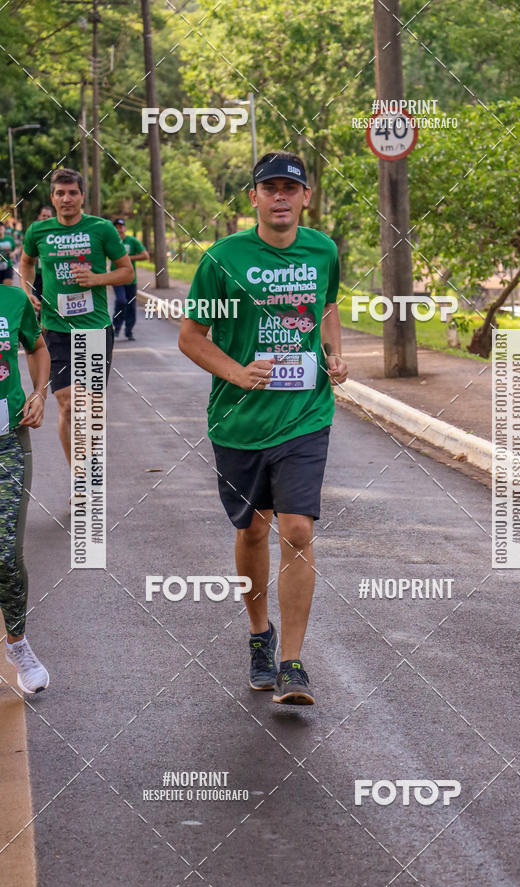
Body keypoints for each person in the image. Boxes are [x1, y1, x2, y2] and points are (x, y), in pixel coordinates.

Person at [179, 151, 348, 706]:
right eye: (269, 188)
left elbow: (326, 308)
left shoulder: (322, 250)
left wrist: (334, 355)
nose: (280, 196)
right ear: (252, 197)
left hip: (305, 413)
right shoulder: (223, 259)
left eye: (290, 188)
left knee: (297, 529)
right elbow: (192, 336)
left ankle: (293, 663)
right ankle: (259, 634)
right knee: (253, 529)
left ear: (305, 197)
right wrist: (237, 372)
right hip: (238, 420)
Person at [19, 168, 133, 471]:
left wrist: (97, 278)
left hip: (95, 329)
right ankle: (78, 476)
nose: (66, 198)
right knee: (68, 404)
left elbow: (126, 271)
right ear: (53, 198)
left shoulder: (101, 229)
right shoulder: (38, 231)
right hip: (55, 330)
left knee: (91, 409)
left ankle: (90, 467)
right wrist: (25, 292)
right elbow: (27, 262)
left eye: (72, 192)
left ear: (82, 196)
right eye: (60, 193)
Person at [0, 283, 51, 693]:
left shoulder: (13, 300)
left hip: (7, 441)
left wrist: (39, 393)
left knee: (5, 553)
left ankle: (17, 644)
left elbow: (36, 347)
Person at [111, 218, 149, 341]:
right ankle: (116, 327)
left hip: (130, 279)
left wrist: (128, 259)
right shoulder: (112, 241)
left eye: (121, 226)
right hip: (116, 278)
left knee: (131, 305)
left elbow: (145, 255)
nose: (119, 229)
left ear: (125, 228)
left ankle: (129, 331)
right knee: (121, 301)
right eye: (116, 226)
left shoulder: (131, 241)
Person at [31, 206, 54, 307]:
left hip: (51, 272)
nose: (46, 218)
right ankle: (41, 319)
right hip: (37, 274)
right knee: (38, 299)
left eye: (49, 216)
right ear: (39, 216)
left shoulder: (56, 232)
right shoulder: (34, 232)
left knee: (51, 299)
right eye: (44, 215)